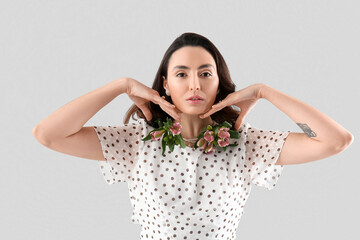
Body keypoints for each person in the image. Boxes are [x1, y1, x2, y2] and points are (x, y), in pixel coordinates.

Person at [32, 32, 353, 239]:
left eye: (205, 73)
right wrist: (122, 86)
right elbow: (48, 135)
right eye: (182, 74)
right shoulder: (135, 143)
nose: (195, 84)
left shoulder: (248, 144)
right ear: (166, 84)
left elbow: (336, 141)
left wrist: (264, 92)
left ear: (219, 83)